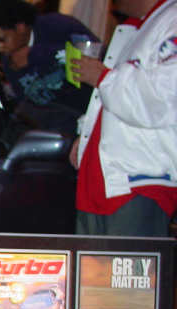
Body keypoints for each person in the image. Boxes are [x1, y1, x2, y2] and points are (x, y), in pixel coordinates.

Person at [69, 0, 177, 236]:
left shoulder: (171, 22)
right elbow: (114, 98)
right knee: (93, 261)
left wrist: (101, 77)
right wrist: (87, 133)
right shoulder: (136, 27)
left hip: (140, 182)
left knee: (128, 259)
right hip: (105, 181)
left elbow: (162, 100)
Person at [0, 0, 99, 134]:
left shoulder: (58, 25)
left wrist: (37, 54)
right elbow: (25, 102)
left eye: (1, 39)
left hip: (88, 115)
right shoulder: (9, 59)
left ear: (20, 27)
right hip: (52, 126)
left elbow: (95, 56)